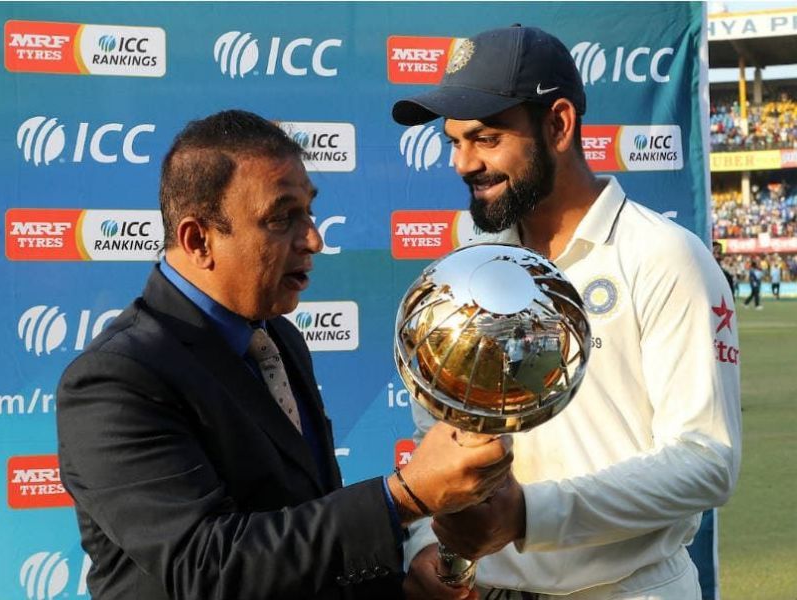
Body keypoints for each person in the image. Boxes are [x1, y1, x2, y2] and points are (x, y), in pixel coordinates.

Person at [56, 110, 514, 600]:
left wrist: (403, 587)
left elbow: (302, 530)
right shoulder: (114, 380)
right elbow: (209, 568)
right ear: (198, 240)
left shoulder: (277, 338)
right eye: (281, 219)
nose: (313, 238)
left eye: (309, 212)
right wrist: (404, 496)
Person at [392, 25, 741, 600]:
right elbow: (438, 433)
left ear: (558, 124)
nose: (462, 163)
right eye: (454, 141)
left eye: (484, 138)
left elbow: (706, 461)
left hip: (629, 589)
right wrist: (425, 547)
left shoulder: (662, 255)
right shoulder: (469, 264)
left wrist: (530, 515)